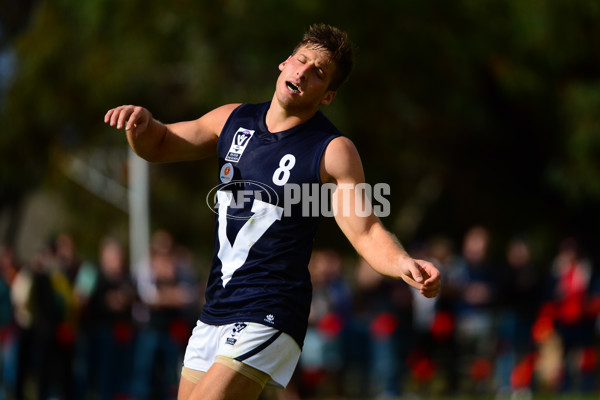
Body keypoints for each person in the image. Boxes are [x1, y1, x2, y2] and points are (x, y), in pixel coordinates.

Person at [104, 23, 441, 400]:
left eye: (318, 73)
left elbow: (366, 232)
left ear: (327, 96)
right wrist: (140, 125)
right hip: (216, 307)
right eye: (301, 60)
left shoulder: (331, 150)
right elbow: (161, 143)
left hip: (271, 309)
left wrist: (403, 263)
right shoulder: (233, 120)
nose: (303, 72)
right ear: (284, 64)